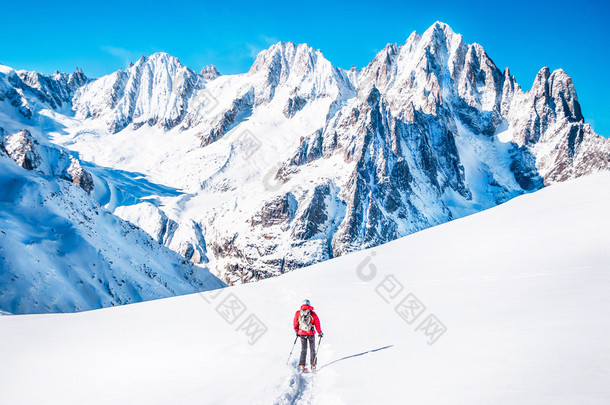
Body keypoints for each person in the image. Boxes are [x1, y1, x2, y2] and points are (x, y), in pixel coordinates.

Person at [293, 299, 323, 372]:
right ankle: (313, 365)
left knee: (303, 349)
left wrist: (297, 331)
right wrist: (320, 332)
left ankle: (302, 366)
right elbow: (317, 324)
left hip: (302, 334)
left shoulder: (298, 313)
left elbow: (295, 323)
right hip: (311, 333)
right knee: (312, 349)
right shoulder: (312, 313)